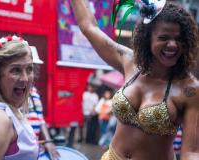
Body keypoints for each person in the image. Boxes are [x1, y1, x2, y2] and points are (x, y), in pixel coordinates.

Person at [71, 0, 199, 159]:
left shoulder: (190, 89)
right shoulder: (129, 62)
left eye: (179, 39)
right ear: (148, 37)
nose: (172, 45)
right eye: (164, 38)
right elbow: (89, 28)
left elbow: (192, 152)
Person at [28, 46, 60, 160]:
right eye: (33, 65)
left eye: (37, 65)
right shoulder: (16, 91)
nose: (38, 68)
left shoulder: (34, 91)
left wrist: (48, 140)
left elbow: (40, 118)